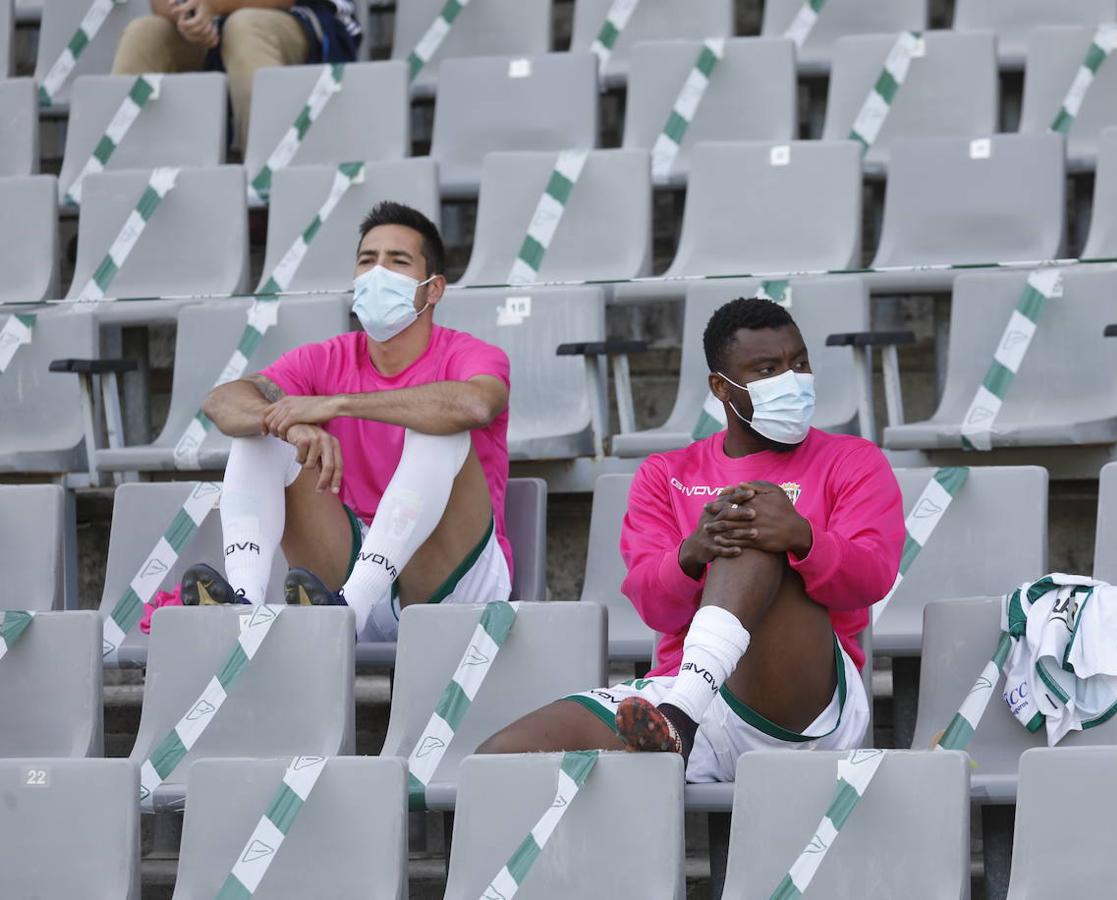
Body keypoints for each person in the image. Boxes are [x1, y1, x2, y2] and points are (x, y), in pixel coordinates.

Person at [479, 298, 904, 779]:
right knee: (502, 760)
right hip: (686, 692)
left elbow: (872, 578)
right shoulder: (665, 473)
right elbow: (653, 607)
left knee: (749, 515)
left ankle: (681, 717)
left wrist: (802, 538)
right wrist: (690, 555)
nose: (792, 380)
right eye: (768, 370)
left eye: (799, 363)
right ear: (722, 387)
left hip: (806, 703)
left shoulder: (853, 459)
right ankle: (678, 721)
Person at [180, 201, 512, 643]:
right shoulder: (328, 355)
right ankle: (243, 603)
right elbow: (222, 401)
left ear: (433, 289)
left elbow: (475, 406)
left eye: (397, 262)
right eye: (366, 261)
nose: (378, 273)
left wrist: (337, 405)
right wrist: (286, 423)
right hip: (355, 573)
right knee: (259, 435)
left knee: (441, 433)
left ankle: (350, 607)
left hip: (456, 586)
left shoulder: (469, 354)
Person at [111, 0, 361, 146]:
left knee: (244, 27)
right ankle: (114, 192)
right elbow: (160, 4)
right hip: (215, 23)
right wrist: (189, 16)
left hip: (304, 18)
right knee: (144, 33)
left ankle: (267, 183)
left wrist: (214, 5)